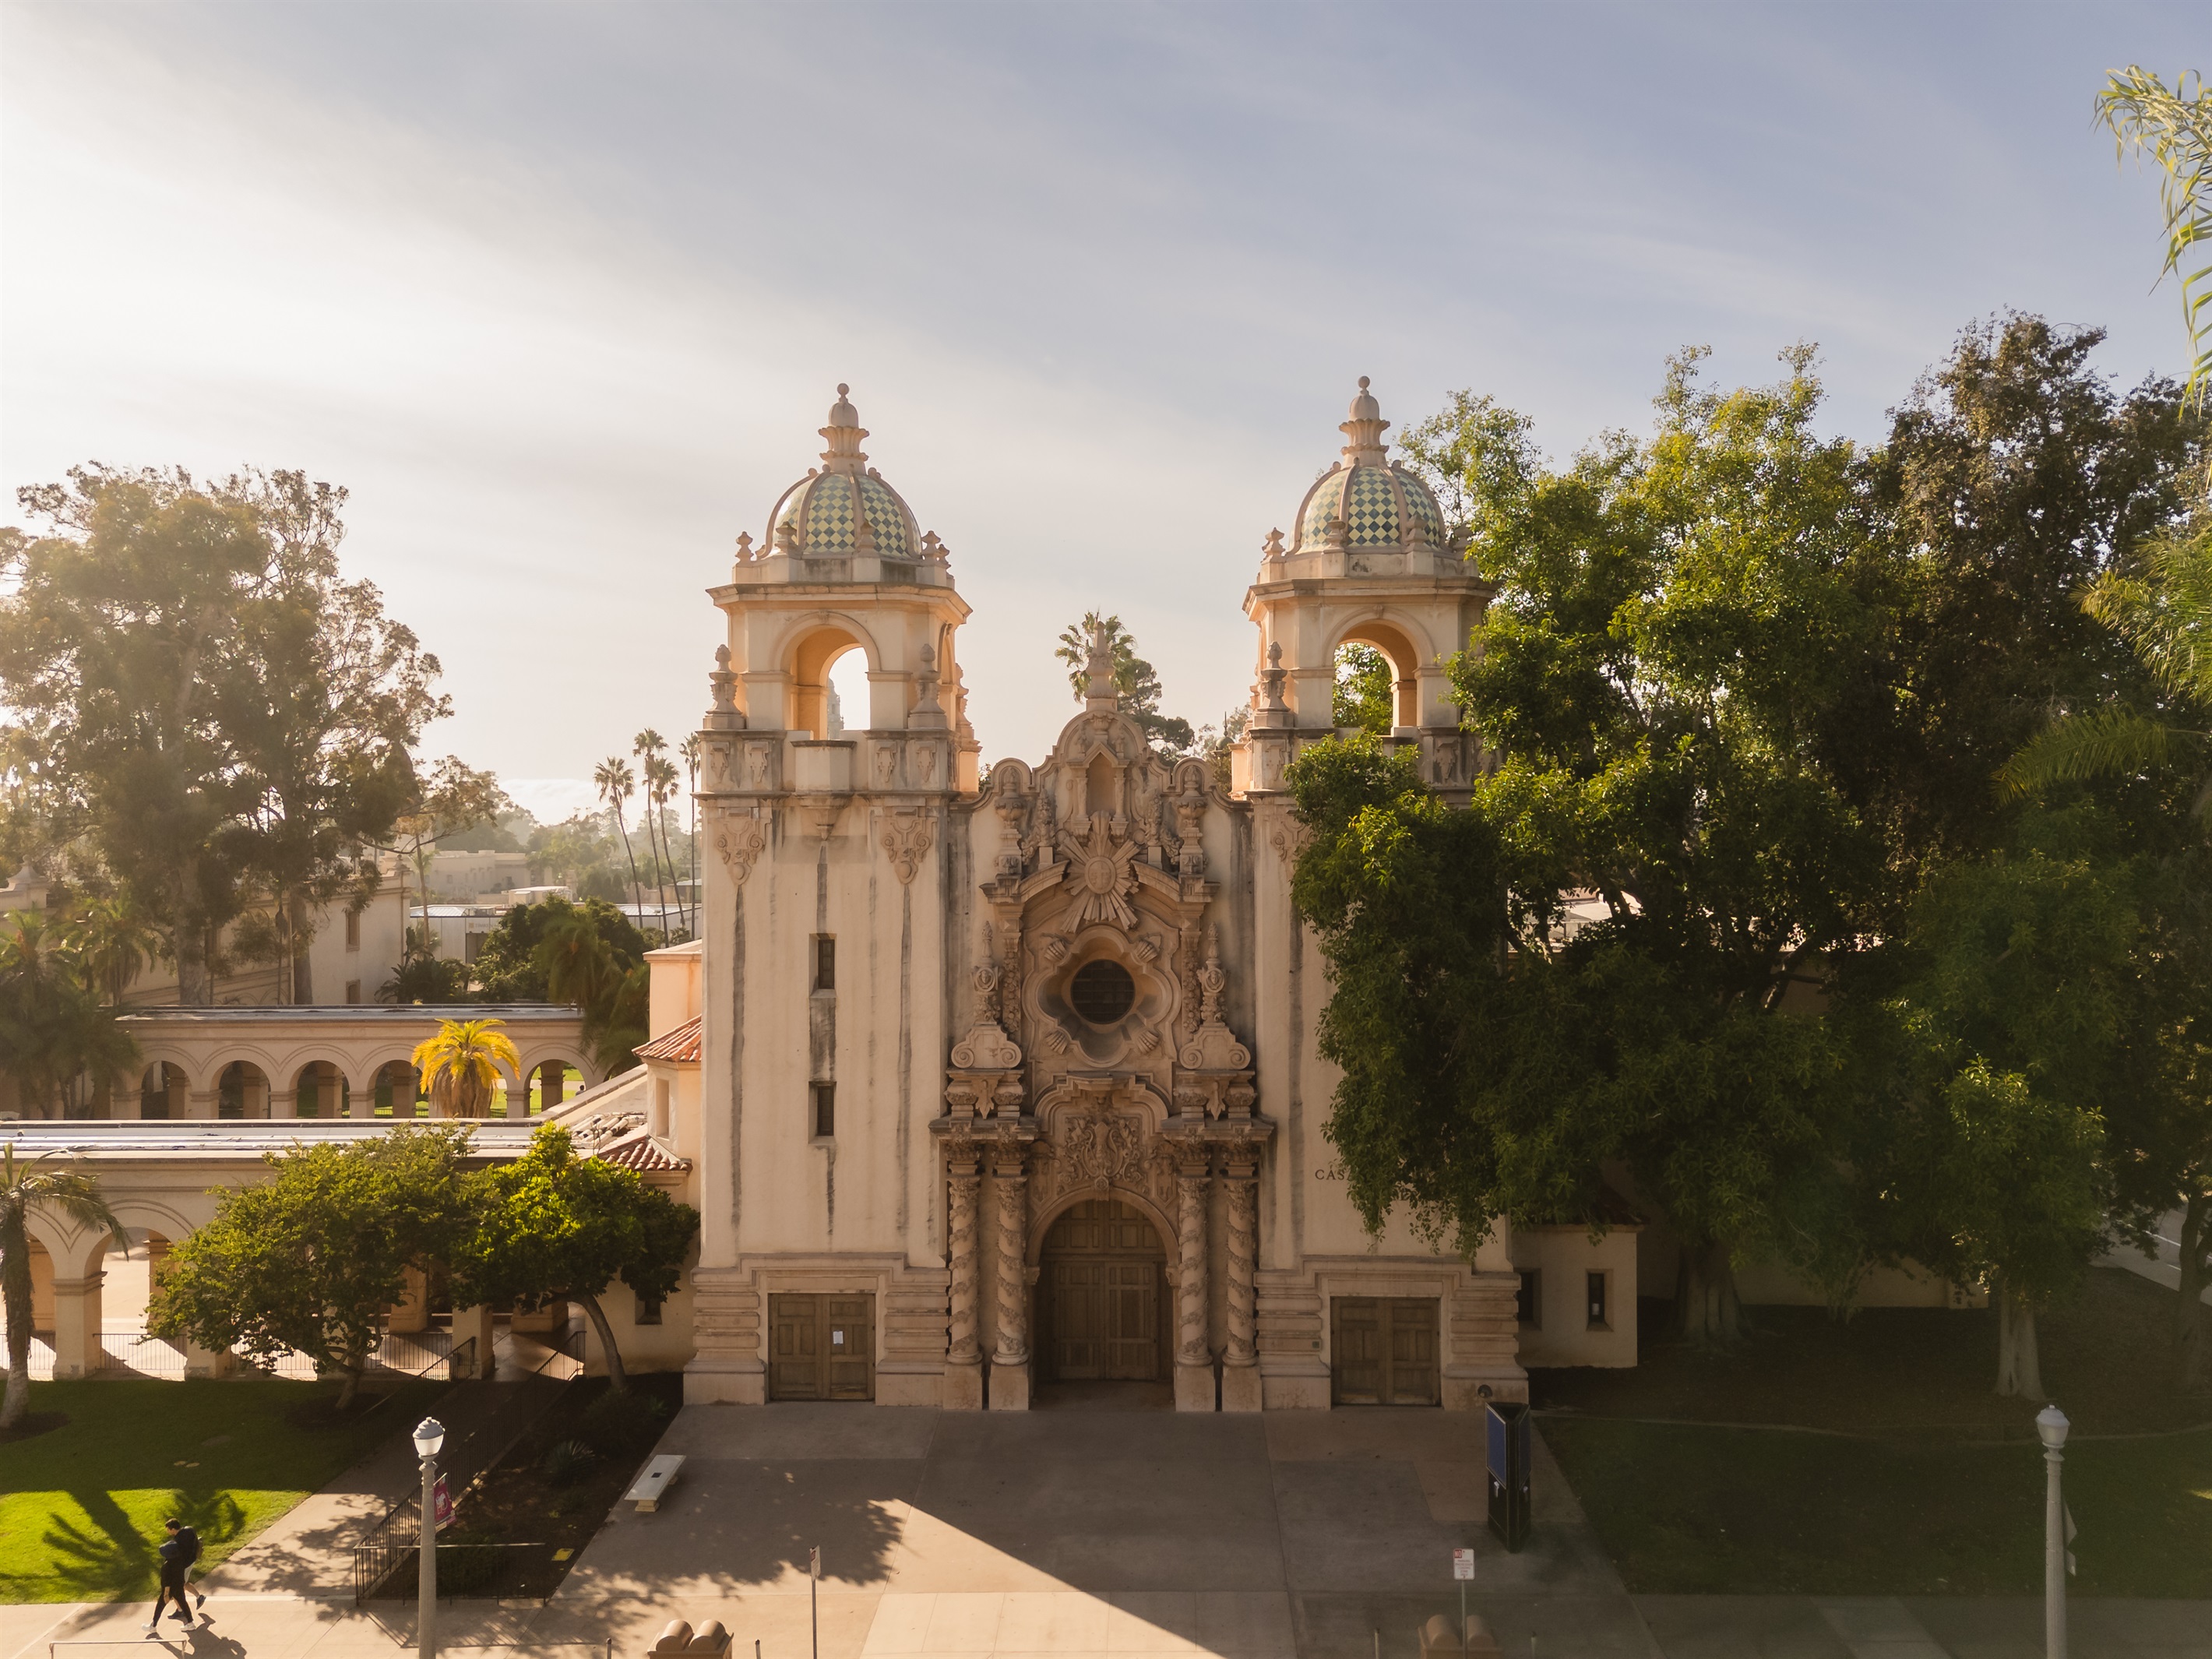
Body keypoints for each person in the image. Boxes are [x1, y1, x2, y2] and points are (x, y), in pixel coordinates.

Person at [144, 1520, 195, 1632]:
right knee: (183, 1603)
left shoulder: (167, 1566)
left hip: (171, 1589)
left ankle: (153, 1626)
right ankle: (190, 1623)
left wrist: (166, 1594)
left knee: (160, 1605)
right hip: (179, 1585)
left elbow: (166, 1582)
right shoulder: (180, 1561)